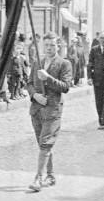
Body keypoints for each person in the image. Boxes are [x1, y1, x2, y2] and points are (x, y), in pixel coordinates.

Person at [26, 32, 73, 192]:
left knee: (45, 143)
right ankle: (51, 175)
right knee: (43, 145)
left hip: (52, 111)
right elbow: (29, 83)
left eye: (52, 45)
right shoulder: (37, 62)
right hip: (37, 109)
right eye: (46, 45)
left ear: (58, 46)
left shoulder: (64, 64)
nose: (49, 48)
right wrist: (35, 95)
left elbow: (66, 87)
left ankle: (38, 178)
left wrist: (48, 79)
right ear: (42, 46)